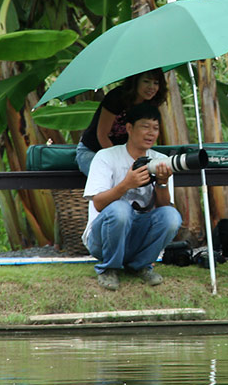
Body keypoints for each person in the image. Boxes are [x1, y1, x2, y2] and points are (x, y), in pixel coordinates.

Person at [81, 103, 182, 291]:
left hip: (137, 236)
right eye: (145, 126)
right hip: (102, 239)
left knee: (172, 216)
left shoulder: (161, 161)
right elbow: (99, 203)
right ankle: (109, 268)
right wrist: (126, 184)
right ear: (129, 128)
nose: (151, 133)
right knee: (121, 209)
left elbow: (163, 210)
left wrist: (161, 182)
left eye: (156, 128)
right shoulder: (106, 157)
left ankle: (140, 266)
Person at [76, 69, 167, 175]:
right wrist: (120, 161)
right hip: (92, 151)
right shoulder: (116, 97)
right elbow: (102, 134)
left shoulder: (150, 103)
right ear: (135, 81)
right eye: (146, 81)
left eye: (156, 83)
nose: (151, 87)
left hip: (126, 154)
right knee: (113, 178)